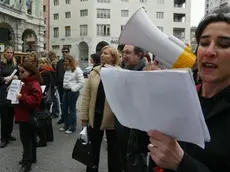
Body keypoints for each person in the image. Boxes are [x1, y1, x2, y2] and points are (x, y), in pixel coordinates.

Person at [148, 13, 230, 172]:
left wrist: (182, 162)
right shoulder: (181, 98)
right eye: (204, 43)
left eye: (224, 44)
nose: (210, 51)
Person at [80, 46, 122, 172]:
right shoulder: (95, 72)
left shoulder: (120, 73)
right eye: (102, 53)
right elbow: (87, 95)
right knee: (93, 149)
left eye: (106, 53)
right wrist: (84, 116)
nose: (102, 55)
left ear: (113, 57)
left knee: (114, 151)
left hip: (113, 118)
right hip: (96, 116)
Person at [15, 62, 43, 172]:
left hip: (28, 115)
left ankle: (27, 163)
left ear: (30, 72)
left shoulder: (33, 83)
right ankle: (32, 158)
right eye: (20, 71)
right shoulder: (24, 83)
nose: (20, 74)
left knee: (26, 139)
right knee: (30, 138)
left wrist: (22, 97)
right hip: (24, 114)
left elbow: (35, 101)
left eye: (23, 72)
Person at [59, 55, 84, 134]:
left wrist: (73, 89)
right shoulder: (67, 69)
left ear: (70, 61)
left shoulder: (77, 70)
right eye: (64, 61)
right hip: (66, 91)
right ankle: (66, 125)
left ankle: (72, 127)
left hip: (72, 92)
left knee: (72, 109)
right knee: (64, 108)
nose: (64, 62)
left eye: (66, 61)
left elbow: (81, 82)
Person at [0, 46, 18, 148]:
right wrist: (4, 78)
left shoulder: (14, 64)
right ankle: (3, 138)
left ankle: (8, 134)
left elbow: (19, 75)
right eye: (8, 52)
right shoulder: (1, 64)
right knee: (4, 116)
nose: (10, 54)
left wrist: (16, 77)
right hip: (3, 92)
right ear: (4, 53)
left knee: (11, 115)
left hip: (12, 91)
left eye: (11, 52)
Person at [56, 47, 69, 124]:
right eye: (63, 51)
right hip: (60, 85)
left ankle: (68, 117)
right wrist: (56, 84)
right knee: (61, 102)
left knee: (67, 103)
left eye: (66, 51)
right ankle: (63, 117)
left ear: (68, 52)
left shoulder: (71, 62)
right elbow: (56, 73)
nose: (64, 53)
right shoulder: (59, 62)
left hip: (68, 86)